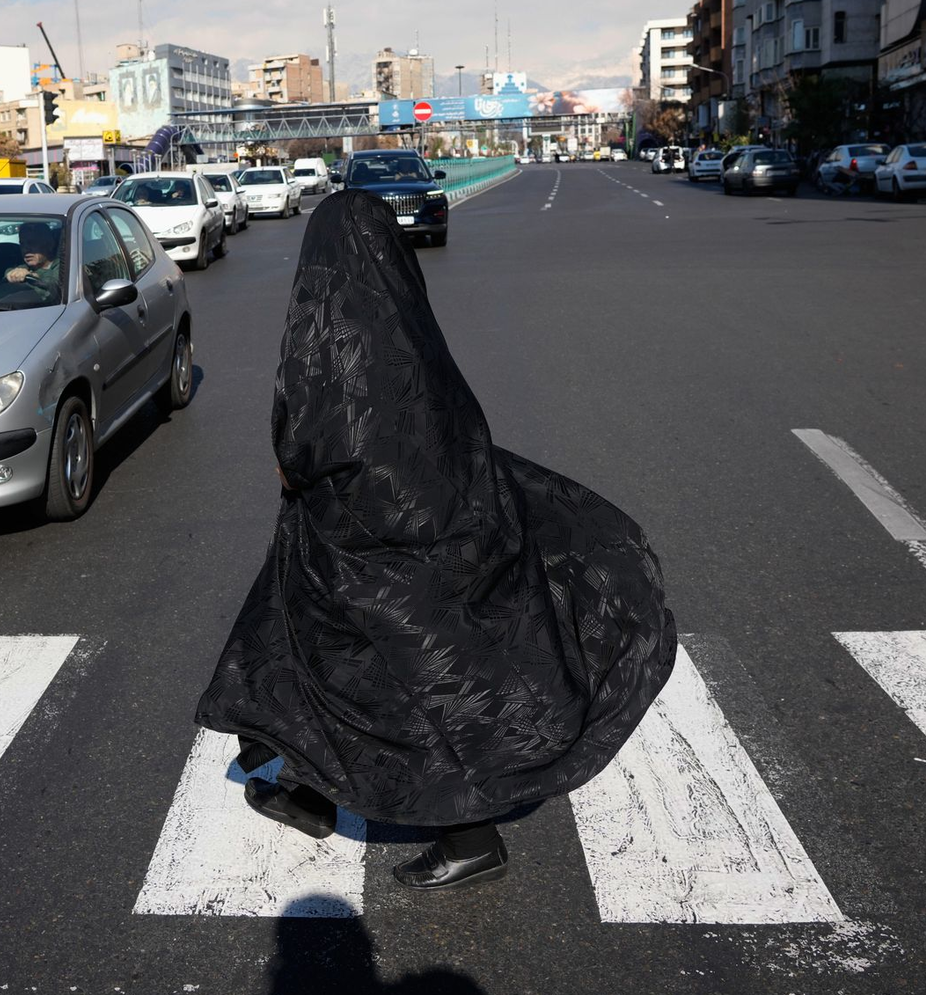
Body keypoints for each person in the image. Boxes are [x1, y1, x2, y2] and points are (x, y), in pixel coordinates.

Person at [196, 189, 677, 892]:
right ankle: (308, 788)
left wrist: (297, 467)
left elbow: (328, 431)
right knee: (316, 655)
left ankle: (468, 834)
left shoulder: (334, 326)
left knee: (401, 681)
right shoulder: (404, 316)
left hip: (361, 534)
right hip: (427, 516)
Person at [4, 221, 61, 299]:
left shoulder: (64, 266)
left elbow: (54, 284)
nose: (26, 249)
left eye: (32, 243)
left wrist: (32, 277)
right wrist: (10, 274)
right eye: (22, 244)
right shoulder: (24, 267)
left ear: (49, 244)